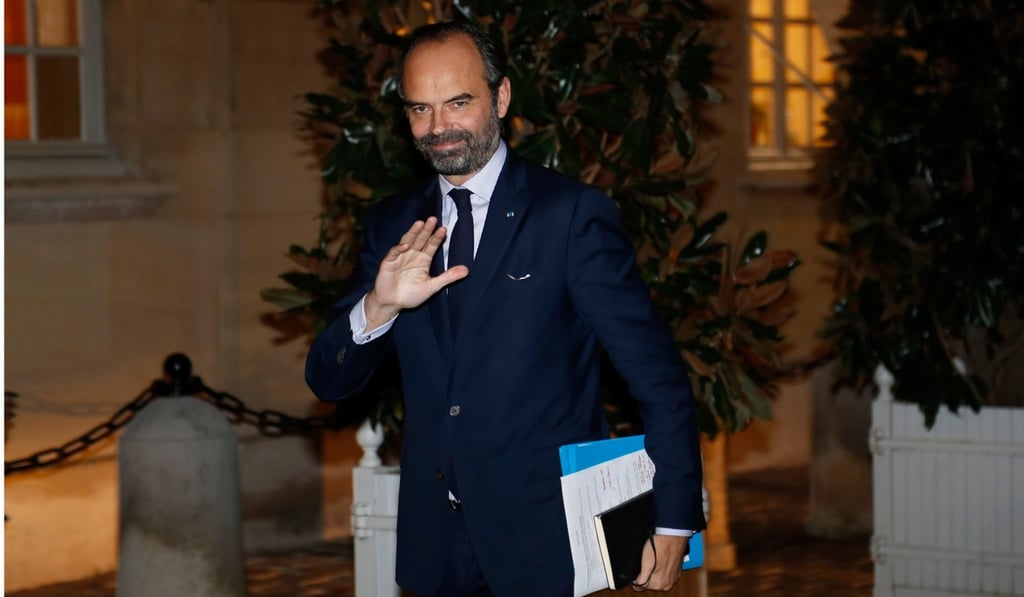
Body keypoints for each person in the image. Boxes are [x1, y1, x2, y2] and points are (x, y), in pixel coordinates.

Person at [305, 20, 705, 597]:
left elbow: (659, 380)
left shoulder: (569, 216)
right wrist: (378, 305)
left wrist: (673, 522)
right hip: (435, 549)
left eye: (458, 103)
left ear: (501, 96)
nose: (439, 128)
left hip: (548, 546)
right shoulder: (395, 224)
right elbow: (327, 379)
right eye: (420, 109)